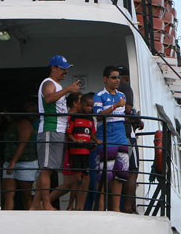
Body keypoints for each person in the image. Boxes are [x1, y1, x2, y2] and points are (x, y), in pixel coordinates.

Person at [32, 55, 81, 211]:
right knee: (46, 168)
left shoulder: (57, 85)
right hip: (50, 128)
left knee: (49, 168)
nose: (65, 71)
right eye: (62, 68)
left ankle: (35, 205)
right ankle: (46, 204)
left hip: (57, 130)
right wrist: (68, 89)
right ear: (53, 67)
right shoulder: (48, 83)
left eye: (66, 68)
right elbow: (48, 99)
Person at [93, 66, 130, 212]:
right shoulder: (99, 95)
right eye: (114, 77)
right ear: (105, 79)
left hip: (121, 138)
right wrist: (115, 106)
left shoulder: (122, 95)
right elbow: (98, 115)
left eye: (118, 77)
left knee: (119, 175)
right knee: (103, 174)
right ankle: (101, 208)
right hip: (106, 138)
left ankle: (116, 209)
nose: (117, 80)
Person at [49, 92, 95, 210]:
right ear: (76, 103)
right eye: (82, 102)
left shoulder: (83, 117)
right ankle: (45, 202)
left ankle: (75, 207)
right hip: (70, 151)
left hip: (81, 150)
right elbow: (67, 133)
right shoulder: (69, 116)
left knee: (80, 180)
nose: (87, 106)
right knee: (71, 182)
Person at [1, 101, 39, 210]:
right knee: (8, 194)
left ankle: (30, 220)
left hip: (25, 162)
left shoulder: (24, 124)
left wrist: (13, 162)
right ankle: (6, 219)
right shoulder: (11, 124)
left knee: (27, 196)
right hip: (9, 162)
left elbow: (23, 144)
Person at [118, 66, 143, 214]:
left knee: (114, 172)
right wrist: (136, 119)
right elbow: (127, 110)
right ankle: (128, 208)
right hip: (126, 134)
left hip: (111, 134)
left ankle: (114, 206)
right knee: (132, 171)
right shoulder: (125, 88)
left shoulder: (103, 94)